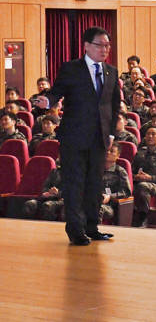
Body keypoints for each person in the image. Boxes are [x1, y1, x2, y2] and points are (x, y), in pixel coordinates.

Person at [36, 26, 121, 245]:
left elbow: (113, 106)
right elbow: (57, 91)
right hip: (74, 137)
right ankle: (75, 230)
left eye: (107, 45)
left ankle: (92, 228)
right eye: (99, 45)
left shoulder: (111, 71)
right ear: (86, 46)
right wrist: (48, 101)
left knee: (94, 185)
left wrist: (111, 133)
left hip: (99, 138)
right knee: (74, 185)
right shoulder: (71, 68)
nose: (104, 49)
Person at [100, 143, 132, 224]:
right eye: (106, 150)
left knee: (96, 208)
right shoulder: (95, 169)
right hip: (92, 200)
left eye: (111, 151)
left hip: (109, 206)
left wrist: (110, 196)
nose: (108, 153)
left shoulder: (120, 171)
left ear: (118, 155)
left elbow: (126, 192)